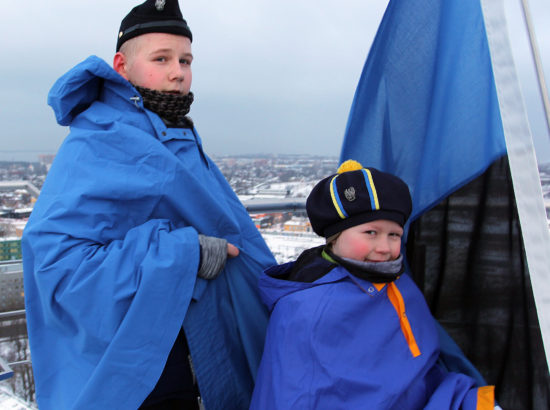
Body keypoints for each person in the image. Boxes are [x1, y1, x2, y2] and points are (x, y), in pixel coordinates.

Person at [22, 1, 276, 409]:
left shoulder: (175, 132)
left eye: (186, 59)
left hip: (199, 350)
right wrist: (183, 252)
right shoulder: (100, 140)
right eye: (161, 58)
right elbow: (55, 263)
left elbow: (232, 231)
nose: (178, 72)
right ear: (122, 66)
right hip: (142, 368)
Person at [249, 160, 497, 409]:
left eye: (394, 235)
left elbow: (422, 370)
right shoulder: (307, 310)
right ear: (335, 237)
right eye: (371, 233)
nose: (384, 248)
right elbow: (293, 395)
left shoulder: (396, 281)